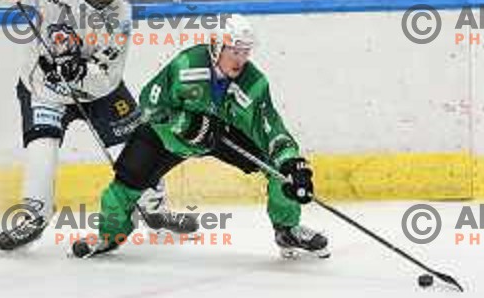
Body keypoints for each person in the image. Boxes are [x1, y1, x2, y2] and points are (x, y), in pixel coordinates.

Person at [0, 0, 194, 251]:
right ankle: (35, 218)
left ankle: (154, 209)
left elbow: (108, 76)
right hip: (45, 89)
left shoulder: (120, 13)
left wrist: (78, 72)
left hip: (100, 93)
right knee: (42, 149)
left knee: (137, 147)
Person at [72, 14, 329, 259]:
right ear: (217, 47)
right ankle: (109, 235)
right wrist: (186, 124)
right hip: (167, 137)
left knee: (278, 169)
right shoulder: (186, 65)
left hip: (219, 135)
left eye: (244, 52)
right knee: (125, 183)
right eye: (233, 51)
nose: (240, 60)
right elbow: (150, 103)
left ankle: (287, 230)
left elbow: (270, 128)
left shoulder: (253, 83)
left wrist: (292, 162)